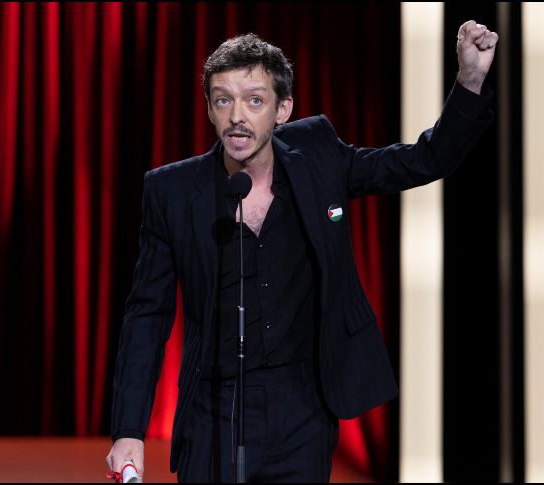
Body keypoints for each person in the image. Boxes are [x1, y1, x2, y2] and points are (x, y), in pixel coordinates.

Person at [106, 20, 499, 483]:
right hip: (212, 410)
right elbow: (146, 316)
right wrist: (128, 429)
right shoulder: (171, 191)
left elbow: (421, 161)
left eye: (254, 100)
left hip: (302, 410)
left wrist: (469, 81)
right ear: (210, 109)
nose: (237, 115)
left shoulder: (318, 157)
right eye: (223, 99)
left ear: (282, 109)